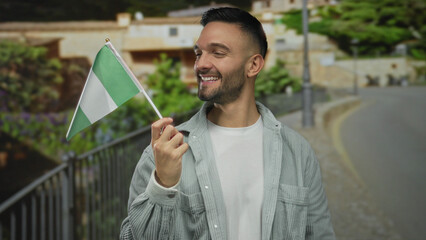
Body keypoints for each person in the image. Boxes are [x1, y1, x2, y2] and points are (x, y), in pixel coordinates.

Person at [120, 7, 335, 240]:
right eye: (198, 53)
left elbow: (320, 234)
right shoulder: (164, 153)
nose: (200, 64)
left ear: (253, 66)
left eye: (218, 53)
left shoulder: (298, 152)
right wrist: (162, 185)